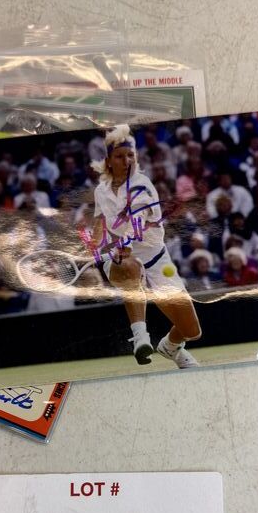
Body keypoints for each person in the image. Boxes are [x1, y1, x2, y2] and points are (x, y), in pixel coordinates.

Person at [89, 124, 201, 368]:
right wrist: (94, 243)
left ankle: (170, 347)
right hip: (122, 260)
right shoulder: (101, 191)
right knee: (129, 267)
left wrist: (126, 243)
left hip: (157, 260)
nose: (127, 161)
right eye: (120, 156)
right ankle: (140, 337)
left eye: (130, 155)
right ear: (108, 161)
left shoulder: (142, 185)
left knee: (191, 330)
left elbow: (137, 221)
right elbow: (100, 223)